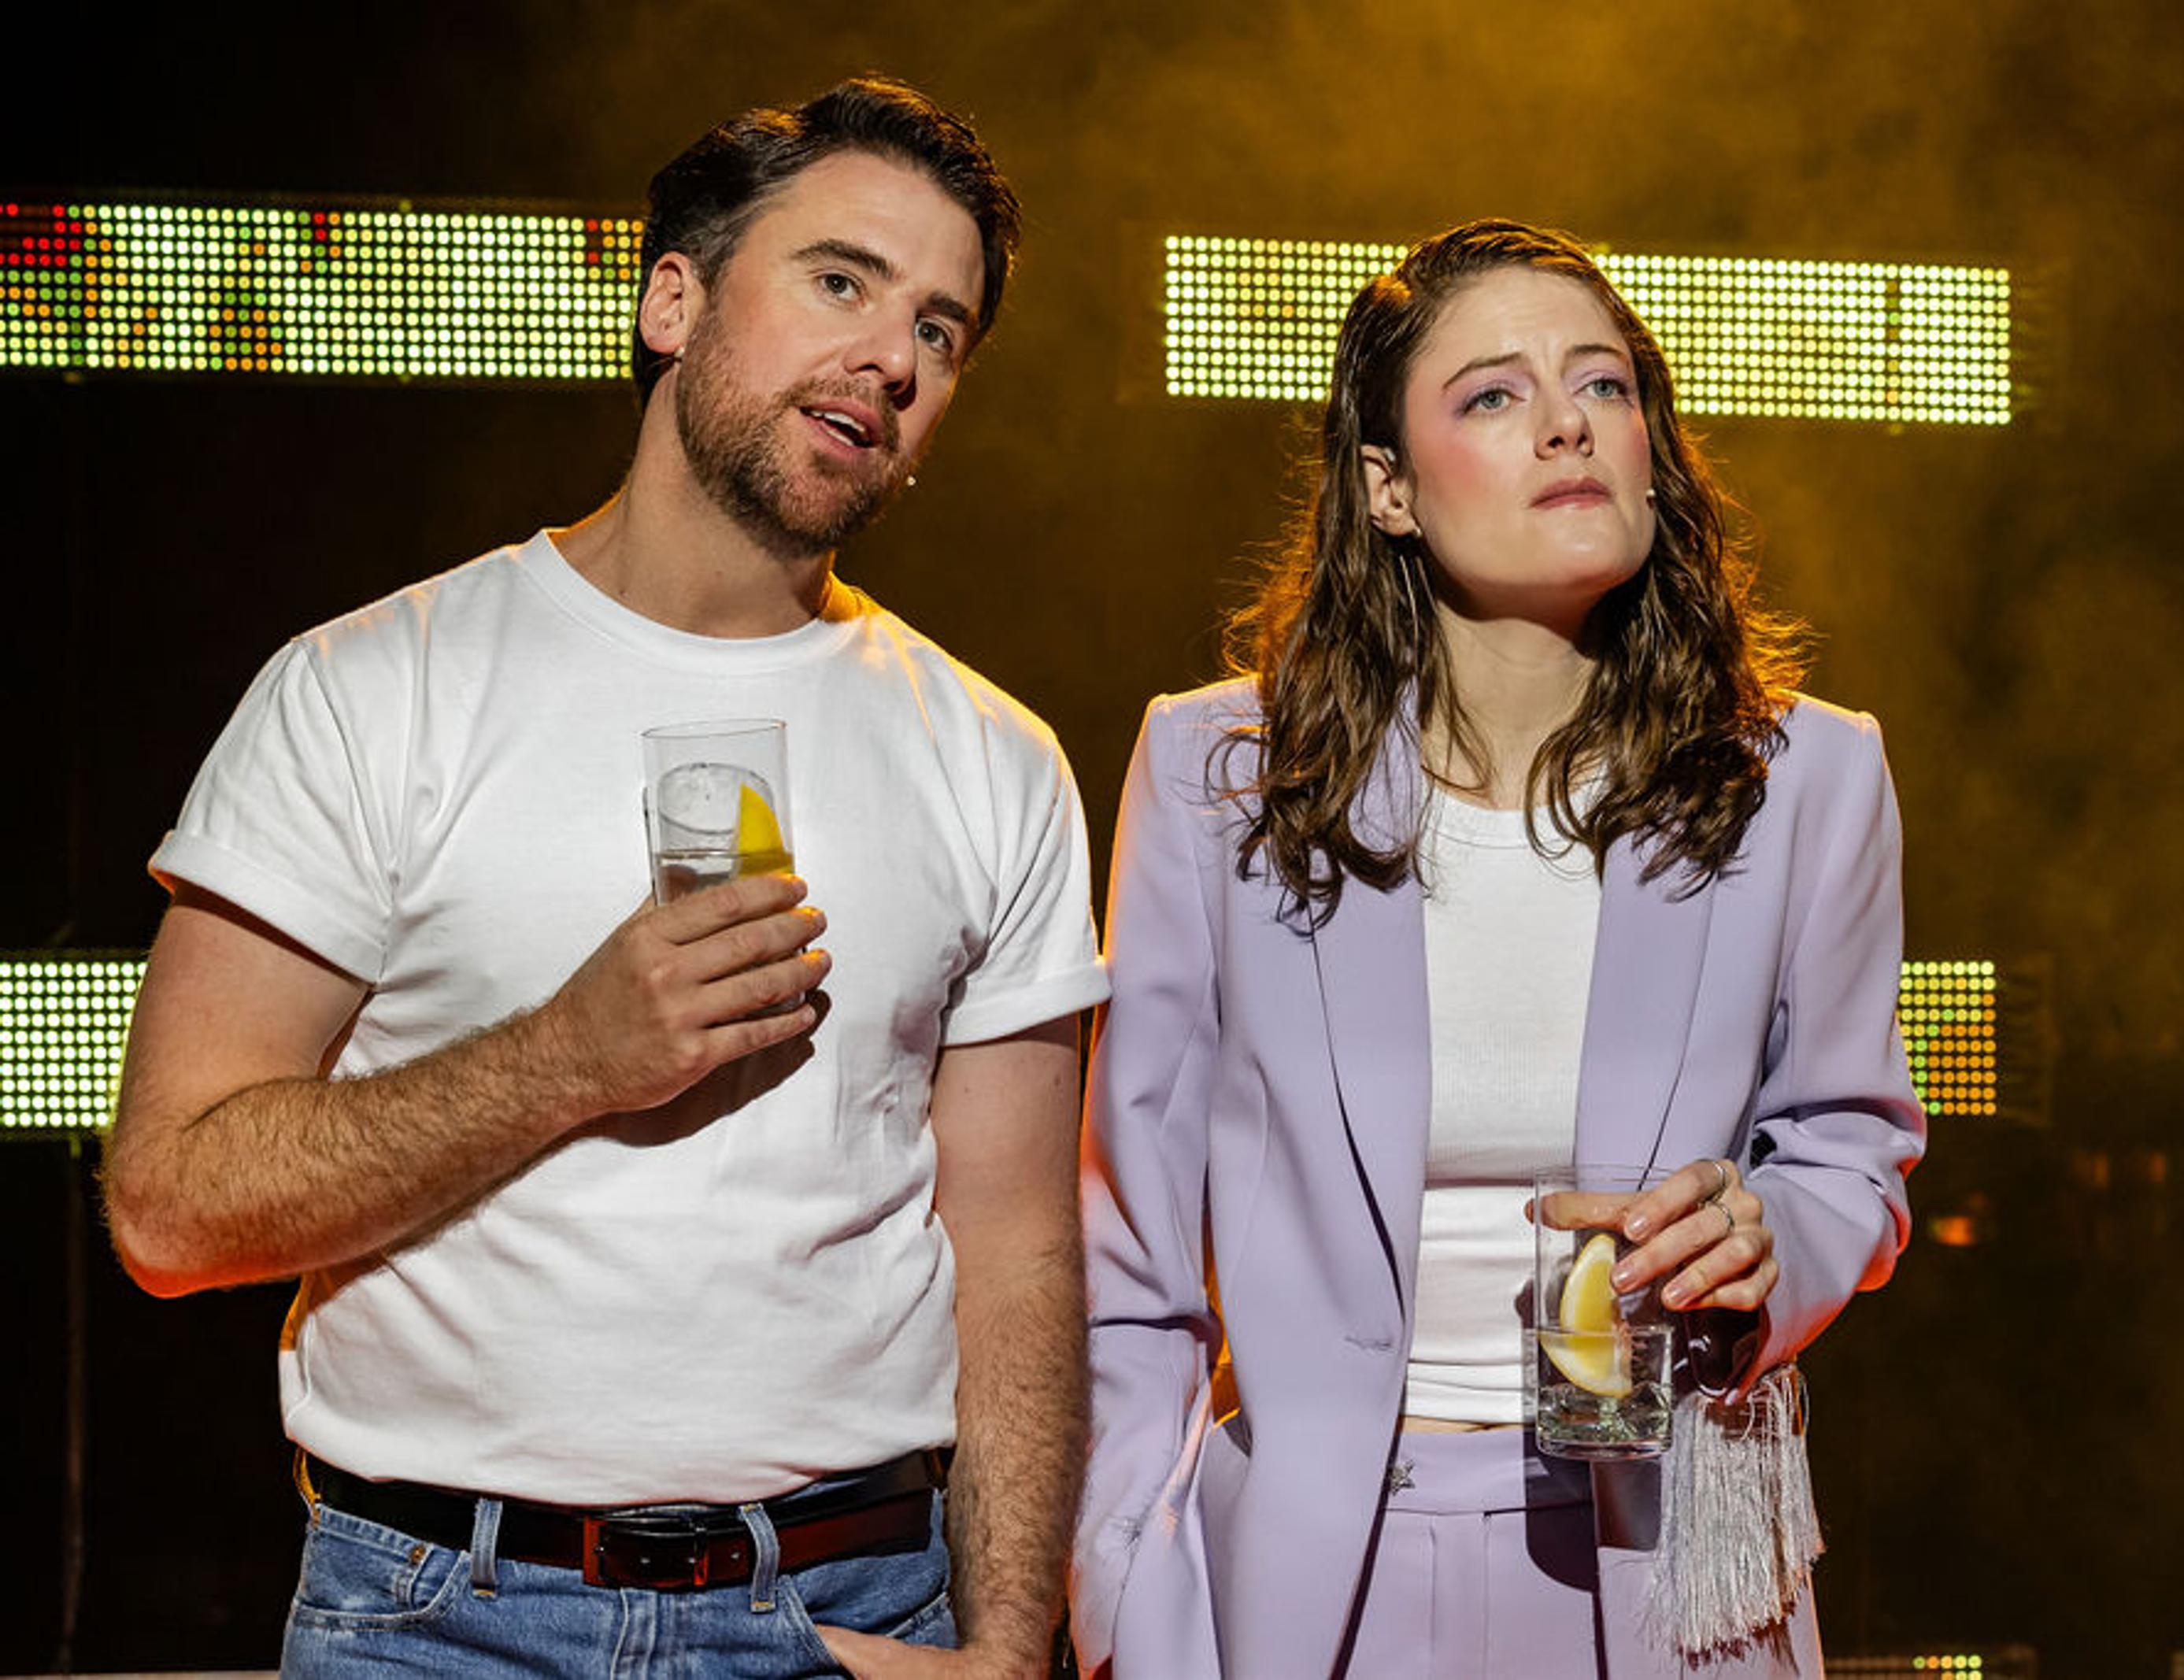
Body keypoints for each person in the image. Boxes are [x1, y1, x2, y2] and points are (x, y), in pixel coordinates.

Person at [104, 77, 1105, 1679]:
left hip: (849, 1613)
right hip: (434, 1618)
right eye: (840, 280)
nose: (894, 359)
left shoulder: (993, 755)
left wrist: (1007, 1647)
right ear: (674, 297)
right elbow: (169, 1204)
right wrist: (566, 1060)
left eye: (941, 328)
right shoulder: (378, 684)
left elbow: (1018, 1250)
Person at [1071, 220, 1926, 1678]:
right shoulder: (1215, 772)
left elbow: (1851, 1151)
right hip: (1312, 1580)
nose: (1565, 420)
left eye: (1603, 383)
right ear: (1388, 488)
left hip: (1671, 1569)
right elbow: (1130, 1266)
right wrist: (1132, 1617)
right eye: (1492, 394)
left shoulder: (1808, 782)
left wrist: (1769, 1247)